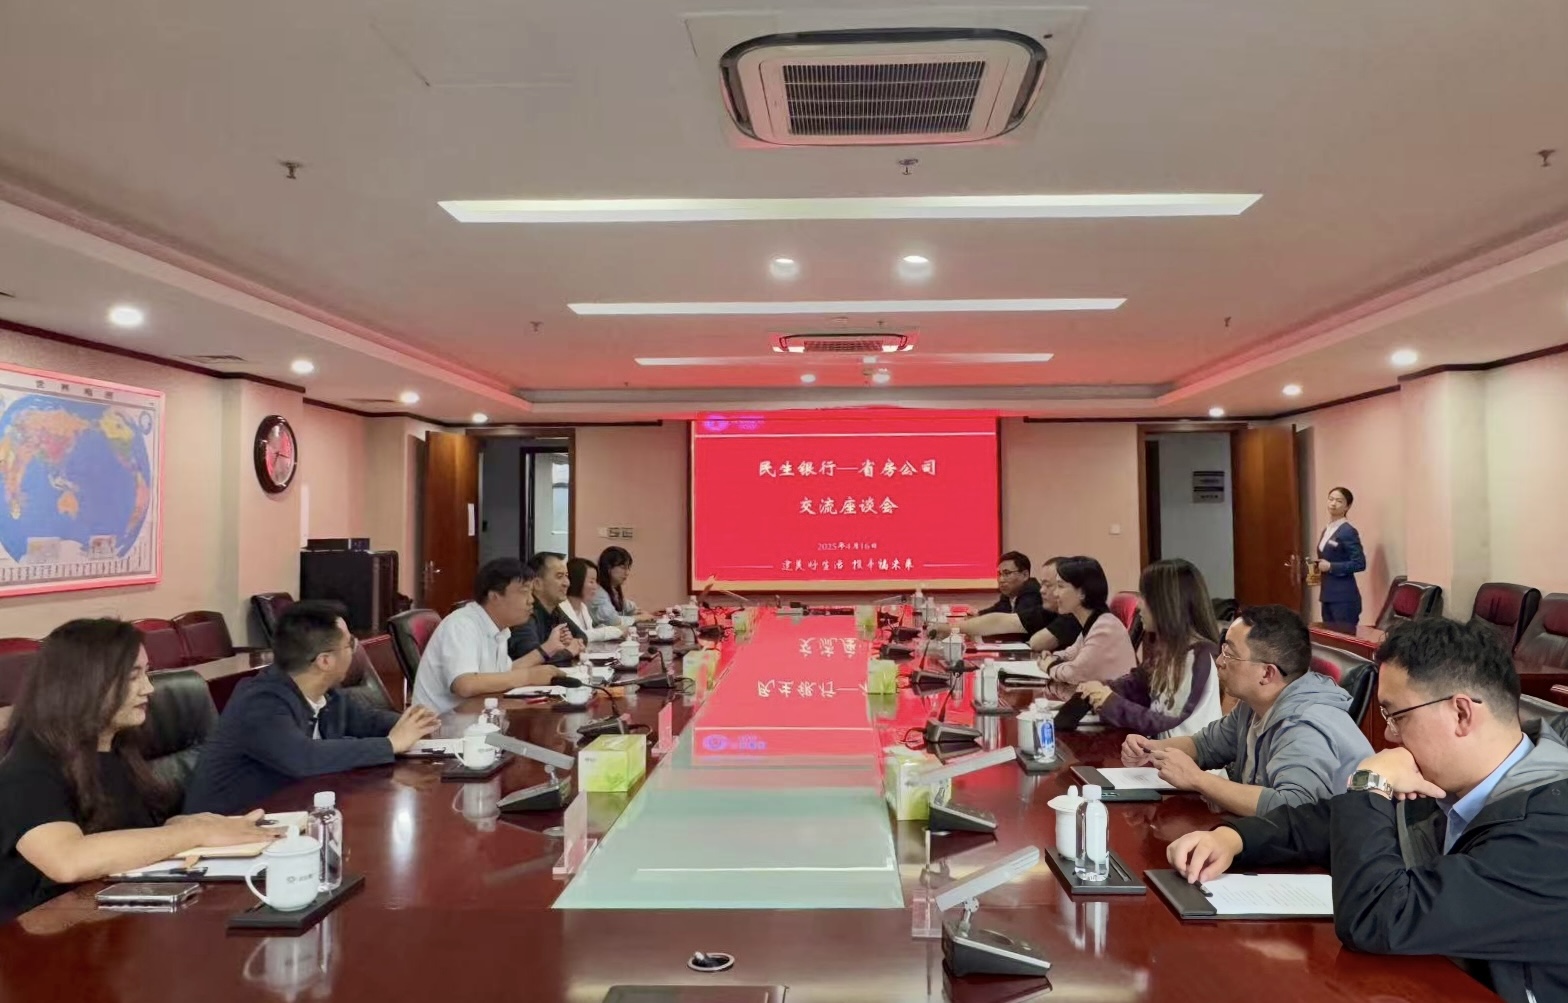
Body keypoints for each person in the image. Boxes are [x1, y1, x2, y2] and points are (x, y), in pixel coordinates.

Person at [1167, 618, 1568, 1003]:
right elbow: (1325, 823)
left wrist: (1369, 785)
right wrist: (1235, 838)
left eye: (1397, 715)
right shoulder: (1451, 782)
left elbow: (1379, 918)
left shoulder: (1551, 832)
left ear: (1461, 714)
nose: (1389, 734)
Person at [1, 620, 277, 922]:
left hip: (114, 918)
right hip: (39, 939)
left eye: (146, 673)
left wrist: (195, 825)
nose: (149, 688)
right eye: (133, 677)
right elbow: (67, 860)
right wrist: (193, 833)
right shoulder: (27, 767)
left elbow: (124, 833)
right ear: (83, 683)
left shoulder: (117, 748)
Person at [184, 603, 442, 814]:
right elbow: (303, 757)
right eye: (350, 644)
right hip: (221, 837)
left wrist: (414, 723)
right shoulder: (260, 702)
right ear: (325, 661)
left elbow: (369, 721)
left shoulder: (326, 695)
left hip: (287, 820)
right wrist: (390, 744)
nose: (354, 651)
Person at [1122, 604, 1371, 816]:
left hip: (1329, 853)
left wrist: (1197, 779)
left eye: (1230, 655)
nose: (1219, 661)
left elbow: (1292, 808)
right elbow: (1206, 745)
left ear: (1267, 673)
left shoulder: (1306, 725)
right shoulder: (1254, 705)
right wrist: (1151, 749)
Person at [1078, 558, 1223, 739]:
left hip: (1184, 755)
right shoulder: (1167, 651)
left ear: (1167, 603)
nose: (1138, 605)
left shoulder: (1200, 658)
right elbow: (1135, 686)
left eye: (1144, 597)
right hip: (1157, 751)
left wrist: (1110, 702)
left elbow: (1168, 725)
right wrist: (1101, 690)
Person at [410, 558, 570, 715]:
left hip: (476, 717)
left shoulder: (498, 627)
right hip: (441, 726)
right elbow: (465, 684)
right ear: (494, 596)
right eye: (524, 592)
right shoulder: (462, 624)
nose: (531, 600)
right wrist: (529, 676)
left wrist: (547, 652)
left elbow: (505, 672)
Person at [1039, 556, 1136, 686]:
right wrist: (1054, 657)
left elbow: (1074, 673)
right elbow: (1071, 654)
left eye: (1061, 586)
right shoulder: (1093, 622)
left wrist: (1049, 666)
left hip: (1115, 698)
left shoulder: (1105, 628)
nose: (1055, 593)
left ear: (1082, 592)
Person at [510, 552, 587, 667]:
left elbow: (581, 636)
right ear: (537, 584)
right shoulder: (526, 611)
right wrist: (568, 651)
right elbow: (532, 659)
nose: (567, 583)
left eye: (567, 576)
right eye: (559, 576)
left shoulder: (554, 609)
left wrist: (569, 643)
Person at [954, 552, 1050, 638]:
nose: (1001, 580)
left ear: (1025, 575)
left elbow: (1014, 627)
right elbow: (997, 609)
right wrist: (977, 615)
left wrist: (968, 628)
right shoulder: (1010, 593)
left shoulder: (1031, 593)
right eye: (999, 574)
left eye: (1007, 573)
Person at [1315, 485, 1366, 626]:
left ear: (1347, 506)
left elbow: (1360, 563)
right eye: (1331, 499)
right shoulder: (1327, 529)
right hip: (1327, 595)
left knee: (1343, 636)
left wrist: (1331, 566)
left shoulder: (1347, 531)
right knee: (1328, 636)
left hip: (1344, 597)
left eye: (1339, 501)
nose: (1333, 503)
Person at [1026, 556, 1085, 653]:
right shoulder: (1051, 610)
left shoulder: (1078, 617)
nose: (1041, 590)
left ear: (1080, 591)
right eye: (1042, 584)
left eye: (1060, 586)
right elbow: (1068, 654)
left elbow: (1037, 643)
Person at [562, 557, 626, 643]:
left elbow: (590, 633)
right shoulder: (562, 608)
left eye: (596, 582)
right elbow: (579, 636)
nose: (595, 587)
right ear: (577, 581)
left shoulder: (583, 607)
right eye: (591, 582)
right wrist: (615, 630)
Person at [588, 546, 655, 627]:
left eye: (628, 568)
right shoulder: (598, 592)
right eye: (623, 567)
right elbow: (612, 621)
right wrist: (639, 618)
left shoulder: (613, 590)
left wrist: (638, 612)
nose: (627, 573)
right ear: (608, 567)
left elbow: (628, 606)